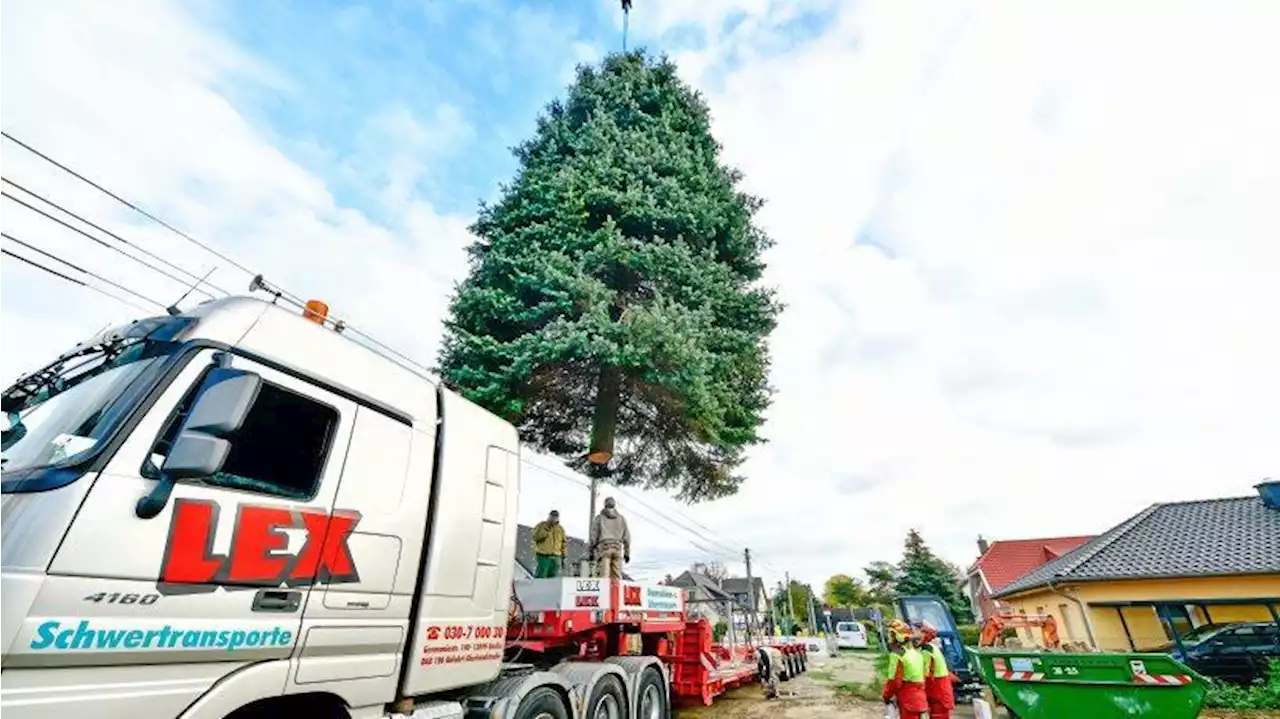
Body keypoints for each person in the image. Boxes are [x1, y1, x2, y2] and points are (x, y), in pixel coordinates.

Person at [881, 620, 929, 719]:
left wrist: (886, 696)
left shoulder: (898, 655)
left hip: (907, 699)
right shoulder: (917, 654)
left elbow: (894, 681)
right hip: (920, 699)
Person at [917, 622, 956, 719]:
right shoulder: (932, 647)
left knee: (938, 715)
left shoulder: (926, 651)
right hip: (940, 687)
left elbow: (925, 675)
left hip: (937, 689)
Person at [589, 496, 630, 579]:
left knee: (604, 576)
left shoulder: (600, 518)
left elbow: (594, 535)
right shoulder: (621, 519)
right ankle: (616, 591)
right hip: (617, 548)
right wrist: (627, 553)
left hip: (604, 548)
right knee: (617, 577)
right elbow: (627, 537)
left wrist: (591, 551)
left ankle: (605, 591)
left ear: (605, 505)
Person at [531, 510, 566, 578]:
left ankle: (551, 588)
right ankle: (539, 587)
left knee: (553, 576)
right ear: (549, 516)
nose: (554, 518)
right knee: (541, 573)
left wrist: (564, 556)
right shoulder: (542, 525)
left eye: (555, 517)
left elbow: (564, 543)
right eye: (552, 516)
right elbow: (536, 537)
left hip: (556, 556)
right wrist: (546, 530)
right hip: (543, 555)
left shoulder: (560, 529)